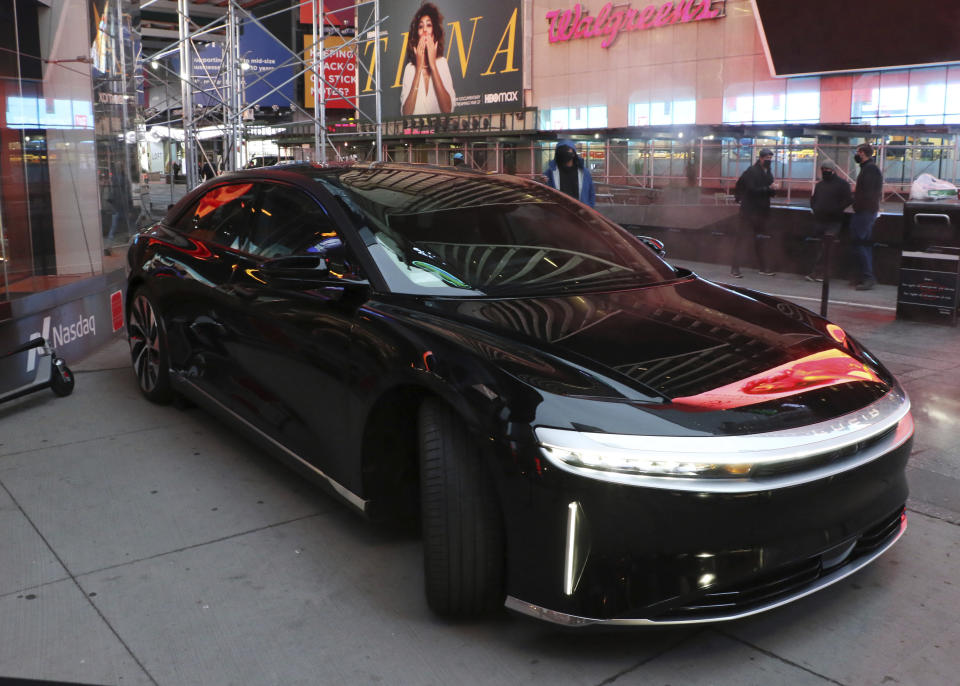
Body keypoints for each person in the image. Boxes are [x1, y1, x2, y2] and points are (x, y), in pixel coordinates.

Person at [400, 3, 456, 115]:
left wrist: (433, 66)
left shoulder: (442, 64)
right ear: (417, 35)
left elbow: (447, 110)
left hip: (439, 131)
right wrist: (419, 68)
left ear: (434, 34)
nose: (425, 30)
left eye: (429, 25)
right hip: (415, 132)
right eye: (421, 27)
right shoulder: (410, 69)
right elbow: (406, 114)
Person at [730, 148, 777, 278]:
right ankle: (735, 267)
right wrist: (769, 189)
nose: (769, 160)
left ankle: (762, 267)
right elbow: (751, 190)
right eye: (767, 158)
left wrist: (772, 189)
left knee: (760, 239)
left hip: (761, 211)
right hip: (749, 211)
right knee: (742, 239)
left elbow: (768, 191)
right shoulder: (752, 171)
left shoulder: (768, 172)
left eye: (770, 158)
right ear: (761, 158)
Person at [805, 160, 852, 282]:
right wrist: (815, 208)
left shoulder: (841, 184)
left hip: (833, 220)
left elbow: (848, 199)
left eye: (827, 170)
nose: (825, 172)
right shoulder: (821, 185)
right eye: (823, 169)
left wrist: (835, 209)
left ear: (833, 170)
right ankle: (820, 272)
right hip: (822, 219)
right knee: (824, 247)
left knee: (826, 247)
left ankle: (819, 272)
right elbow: (814, 199)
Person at [849, 143, 883, 290]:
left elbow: (867, 193)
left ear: (862, 153)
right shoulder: (869, 169)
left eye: (857, 152)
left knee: (860, 243)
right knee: (864, 244)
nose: (856, 155)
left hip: (865, 212)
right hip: (867, 211)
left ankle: (867, 277)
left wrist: (856, 203)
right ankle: (865, 276)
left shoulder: (869, 170)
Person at [542, 139, 596, 207]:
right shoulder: (550, 173)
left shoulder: (584, 172)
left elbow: (591, 193)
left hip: (581, 214)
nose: (564, 152)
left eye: (567, 149)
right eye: (561, 150)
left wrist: (589, 209)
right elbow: (545, 195)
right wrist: (543, 183)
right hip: (560, 213)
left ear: (574, 153)